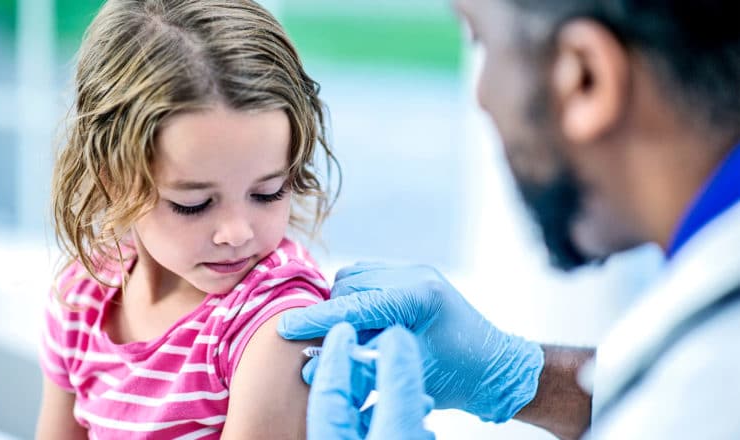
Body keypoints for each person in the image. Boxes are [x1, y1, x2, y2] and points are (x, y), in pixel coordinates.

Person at [279, 0, 740, 438]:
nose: (480, 97)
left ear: (586, 78)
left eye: (481, 41)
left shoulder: (706, 393)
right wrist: (524, 378)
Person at [36, 0, 339, 438]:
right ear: (115, 181)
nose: (237, 232)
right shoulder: (82, 297)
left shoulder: (276, 319)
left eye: (268, 192)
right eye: (194, 203)